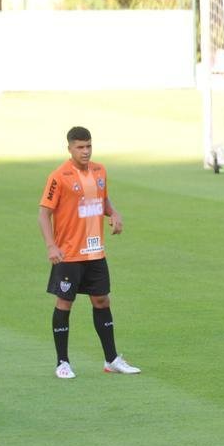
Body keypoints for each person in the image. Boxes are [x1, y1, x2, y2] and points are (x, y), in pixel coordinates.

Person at [38, 126, 140, 378]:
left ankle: (111, 359)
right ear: (70, 148)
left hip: (95, 252)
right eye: (80, 147)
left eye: (88, 146)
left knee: (102, 300)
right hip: (69, 254)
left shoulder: (99, 170)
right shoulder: (58, 176)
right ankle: (62, 362)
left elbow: (102, 199)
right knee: (64, 303)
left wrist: (113, 213)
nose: (85, 151)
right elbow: (44, 213)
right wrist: (51, 245)